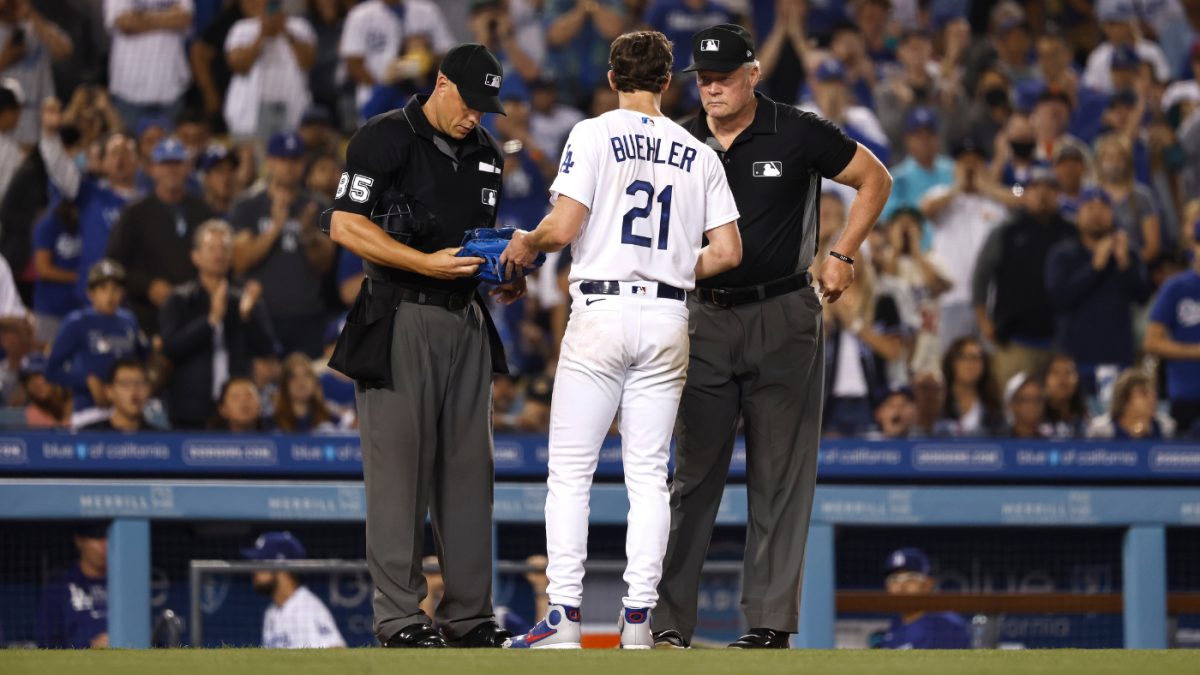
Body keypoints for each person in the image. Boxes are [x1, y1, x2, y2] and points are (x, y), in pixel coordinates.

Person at [647, 23, 892, 650]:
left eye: (725, 76)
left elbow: (875, 178)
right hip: (701, 317)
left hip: (784, 314)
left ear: (754, 73)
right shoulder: (680, 140)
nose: (712, 88)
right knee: (691, 478)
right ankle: (670, 626)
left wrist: (843, 252)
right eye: (703, 79)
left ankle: (769, 626)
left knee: (781, 477)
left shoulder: (798, 129)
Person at [498, 30, 742, 650]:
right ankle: (638, 622)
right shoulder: (699, 149)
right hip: (668, 318)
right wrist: (674, 270)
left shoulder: (591, 133)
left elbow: (564, 225)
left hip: (602, 310)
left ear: (613, 79)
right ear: (669, 83)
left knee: (572, 474)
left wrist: (526, 243)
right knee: (648, 478)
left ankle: (565, 619)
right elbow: (730, 252)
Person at [326, 42, 521, 649]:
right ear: (440, 83)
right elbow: (343, 224)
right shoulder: (383, 137)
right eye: (469, 102)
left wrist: (500, 273)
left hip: (465, 318)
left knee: (470, 475)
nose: (476, 117)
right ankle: (402, 619)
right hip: (399, 315)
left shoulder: (488, 154)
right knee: (399, 477)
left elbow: (472, 240)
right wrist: (422, 263)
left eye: (487, 107)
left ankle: (469, 618)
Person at [160, 220, 276, 430]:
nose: (219, 254)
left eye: (225, 248)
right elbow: (171, 349)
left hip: (236, 416)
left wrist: (247, 316)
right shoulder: (179, 299)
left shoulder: (246, 299)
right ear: (195, 256)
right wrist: (210, 321)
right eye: (211, 248)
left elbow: (267, 349)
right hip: (190, 412)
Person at [232, 131, 334, 358]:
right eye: (282, 159)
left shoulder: (318, 205)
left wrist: (310, 235)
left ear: (304, 162)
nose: (289, 166)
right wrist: (274, 228)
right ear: (268, 161)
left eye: (295, 159)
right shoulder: (247, 204)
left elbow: (325, 264)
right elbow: (240, 261)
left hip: (307, 314)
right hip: (262, 313)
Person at [971, 166, 1075, 388]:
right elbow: (981, 276)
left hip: (1062, 344)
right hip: (1015, 342)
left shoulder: (1072, 231)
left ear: (1059, 194)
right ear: (1025, 194)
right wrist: (984, 323)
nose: (1043, 193)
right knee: (1013, 410)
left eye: (1050, 188)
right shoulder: (1007, 230)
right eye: (1035, 187)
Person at [105, 136, 217, 335]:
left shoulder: (203, 212)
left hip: (194, 314)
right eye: (165, 164)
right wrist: (147, 285)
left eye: (177, 163)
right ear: (153, 169)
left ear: (186, 167)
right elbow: (113, 264)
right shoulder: (135, 214)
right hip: (147, 316)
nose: (171, 170)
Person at [38, 98, 141, 309]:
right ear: (101, 163)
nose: (120, 158)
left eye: (126, 152)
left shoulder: (149, 201)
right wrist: (49, 134)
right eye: (113, 153)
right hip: (93, 297)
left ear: (138, 161)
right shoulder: (89, 193)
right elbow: (60, 169)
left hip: (135, 296)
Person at [1045, 187, 1153, 386]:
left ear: (1112, 216)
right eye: (1089, 208)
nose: (1097, 213)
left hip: (1116, 358)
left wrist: (1124, 264)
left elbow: (1143, 296)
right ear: (1077, 217)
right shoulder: (1061, 254)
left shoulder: (1127, 254)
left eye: (1103, 207)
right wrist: (1094, 267)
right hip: (1073, 359)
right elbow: (1060, 297)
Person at [920, 137, 1011, 349]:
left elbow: (1022, 197)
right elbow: (926, 209)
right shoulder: (942, 194)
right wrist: (958, 187)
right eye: (964, 162)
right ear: (955, 168)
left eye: (976, 161)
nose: (970, 167)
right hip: (953, 298)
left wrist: (989, 187)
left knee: (990, 371)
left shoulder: (996, 202)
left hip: (990, 301)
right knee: (952, 363)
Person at [46, 259, 148, 427]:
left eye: (116, 289)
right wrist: (86, 380)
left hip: (125, 411)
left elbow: (140, 359)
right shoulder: (77, 322)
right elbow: (52, 370)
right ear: (90, 293)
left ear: (123, 292)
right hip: (89, 410)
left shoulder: (129, 320)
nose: (110, 295)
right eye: (103, 289)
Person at [338, 0, 455, 113]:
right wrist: (384, 84)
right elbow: (353, 64)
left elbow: (444, 53)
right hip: (376, 94)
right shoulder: (360, 14)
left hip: (421, 90)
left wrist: (426, 75)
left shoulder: (427, 9)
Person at [223, 0, 317, 139]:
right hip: (248, 116)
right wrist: (262, 35)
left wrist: (285, 31)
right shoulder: (241, 28)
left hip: (293, 113)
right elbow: (239, 66)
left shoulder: (300, 27)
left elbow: (308, 63)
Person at [241, 531, 347, 648]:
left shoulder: (306, 608)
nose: (254, 571)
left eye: (259, 564)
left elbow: (336, 649)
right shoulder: (271, 613)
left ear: (280, 566)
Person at [103, 0, 193, 130]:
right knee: (128, 147)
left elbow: (183, 19)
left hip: (171, 87)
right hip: (129, 89)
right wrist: (168, 17)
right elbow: (124, 22)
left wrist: (140, 18)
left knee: (171, 148)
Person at [1144, 223, 1200, 431]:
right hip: (1187, 393)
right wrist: (1196, 351)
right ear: (1192, 245)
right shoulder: (1176, 287)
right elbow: (1151, 342)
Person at [0, 0, 72, 144]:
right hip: (7, 119)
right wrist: (5, 59)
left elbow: (64, 51)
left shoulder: (35, 27)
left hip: (41, 116)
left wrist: (32, 16)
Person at [877, 547, 970, 649]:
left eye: (911, 577)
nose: (901, 585)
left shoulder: (945, 625)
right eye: (894, 578)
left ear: (928, 584)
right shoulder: (896, 624)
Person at [34, 522, 109, 649]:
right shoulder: (59, 586)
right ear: (79, 541)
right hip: (78, 666)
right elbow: (45, 644)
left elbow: (149, 635)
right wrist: (88, 647)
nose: (104, 545)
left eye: (109, 538)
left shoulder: (129, 586)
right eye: (97, 538)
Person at [542, 0, 626, 108]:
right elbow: (555, 36)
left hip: (603, 86)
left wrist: (593, 6)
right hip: (565, 87)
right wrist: (582, 9)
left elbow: (617, 31)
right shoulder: (557, 2)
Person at [880, 107, 954, 225]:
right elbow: (888, 217)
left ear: (937, 138)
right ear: (907, 139)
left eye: (929, 135)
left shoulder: (953, 169)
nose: (924, 141)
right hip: (918, 241)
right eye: (918, 135)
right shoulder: (897, 177)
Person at [1095, 133, 1162, 262]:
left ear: (1127, 161)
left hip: (1132, 266)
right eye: (1108, 157)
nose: (1113, 162)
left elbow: (1153, 245)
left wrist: (1131, 267)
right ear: (1099, 161)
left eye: (1118, 157)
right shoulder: (1090, 195)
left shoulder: (1142, 196)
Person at [940, 336, 1003, 437]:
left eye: (975, 358)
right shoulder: (938, 402)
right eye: (963, 357)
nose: (969, 364)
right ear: (952, 363)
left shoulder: (994, 407)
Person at [1086, 367, 1175, 438]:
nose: (1152, 399)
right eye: (1143, 393)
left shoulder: (1165, 428)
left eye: (1154, 393)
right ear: (1124, 400)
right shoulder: (1101, 431)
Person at [80, 357, 153, 431]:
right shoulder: (90, 435)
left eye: (140, 384)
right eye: (125, 384)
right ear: (109, 391)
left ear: (149, 389)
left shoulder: (159, 439)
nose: (133, 392)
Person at [270, 352, 335, 432]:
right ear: (285, 384)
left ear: (314, 381)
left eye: (306, 375)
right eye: (293, 376)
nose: (301, 382)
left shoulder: (331, 420)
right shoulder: (271, 423)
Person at [1041, 352, 1088, 438]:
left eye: (1069, 372)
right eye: (1055, 372)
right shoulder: (1036, 421)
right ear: (1045, 380)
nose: (1062, 378)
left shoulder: (1089, 417)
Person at [17, 352, 71, 427]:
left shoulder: (76, 397)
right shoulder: (34, 412)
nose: (35, 384)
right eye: (28, 380)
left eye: (38, 375)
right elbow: (56, 437)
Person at [1002, 371, 1050, 438]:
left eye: (1038, 399)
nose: (1032, 405)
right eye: (1026, 399)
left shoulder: (1050, 442)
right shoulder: (999, 441)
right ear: (1012, 405)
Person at [200, 145, 240, 219]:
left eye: (231, 170)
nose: (226, 177)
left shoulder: (244, 212)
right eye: (220, 170)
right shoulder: (196, 213)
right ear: (206, 178)